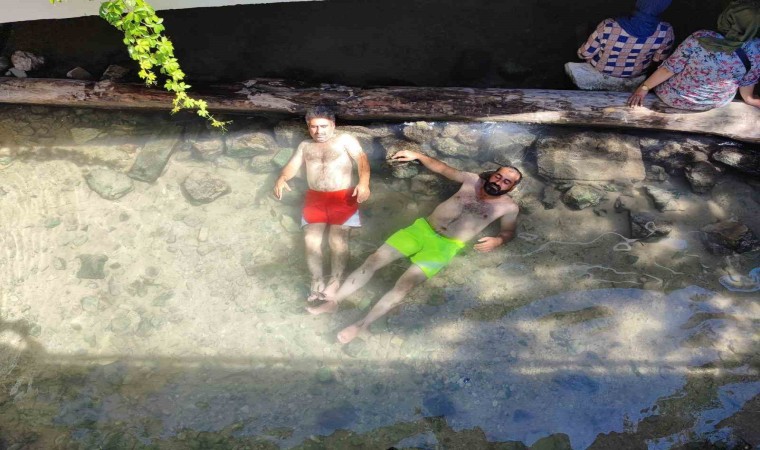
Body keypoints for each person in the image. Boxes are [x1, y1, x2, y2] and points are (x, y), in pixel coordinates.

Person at [307, 150, 521, 344]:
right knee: (373, 260)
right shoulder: (471, 180)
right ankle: (334, 301)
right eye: (498, 176)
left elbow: (508, 232)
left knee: (404, 285)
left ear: (511, 188)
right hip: (421, 230)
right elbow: (443, 169)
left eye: (507, 182)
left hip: (446, 247)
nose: (500, 182)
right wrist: (418, 155)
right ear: (492, 174)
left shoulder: (508, 207)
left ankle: (362, 325)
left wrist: (498, 241)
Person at [273, 106, 370, 301]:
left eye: (324, 126)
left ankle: (335, 281)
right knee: (311, 240)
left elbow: (362, 160)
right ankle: (316, 280)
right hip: (315, 198)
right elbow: (293, 165)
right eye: (314, 127)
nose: (319, 131)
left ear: (333, 125)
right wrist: (282, 178)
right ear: (308, 127)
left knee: (337, 240)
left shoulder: (345, 140)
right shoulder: (305, 145)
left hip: (343, 196)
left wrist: (364, 183)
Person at [627, 0, 760, 110]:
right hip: (715, 102)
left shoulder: (701, 38)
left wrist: (644, 88)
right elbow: (748, 81)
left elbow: (669, 69)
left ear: (726, 18)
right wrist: (750, 99)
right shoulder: (756, 48)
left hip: (674, 98)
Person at [572, 0, 674, 82]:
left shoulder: (608, 25)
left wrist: (581, 54)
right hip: (637, 74)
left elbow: (585, 53)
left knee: (582, 31)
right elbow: (658, 60)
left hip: (602, 69)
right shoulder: (666, 31)